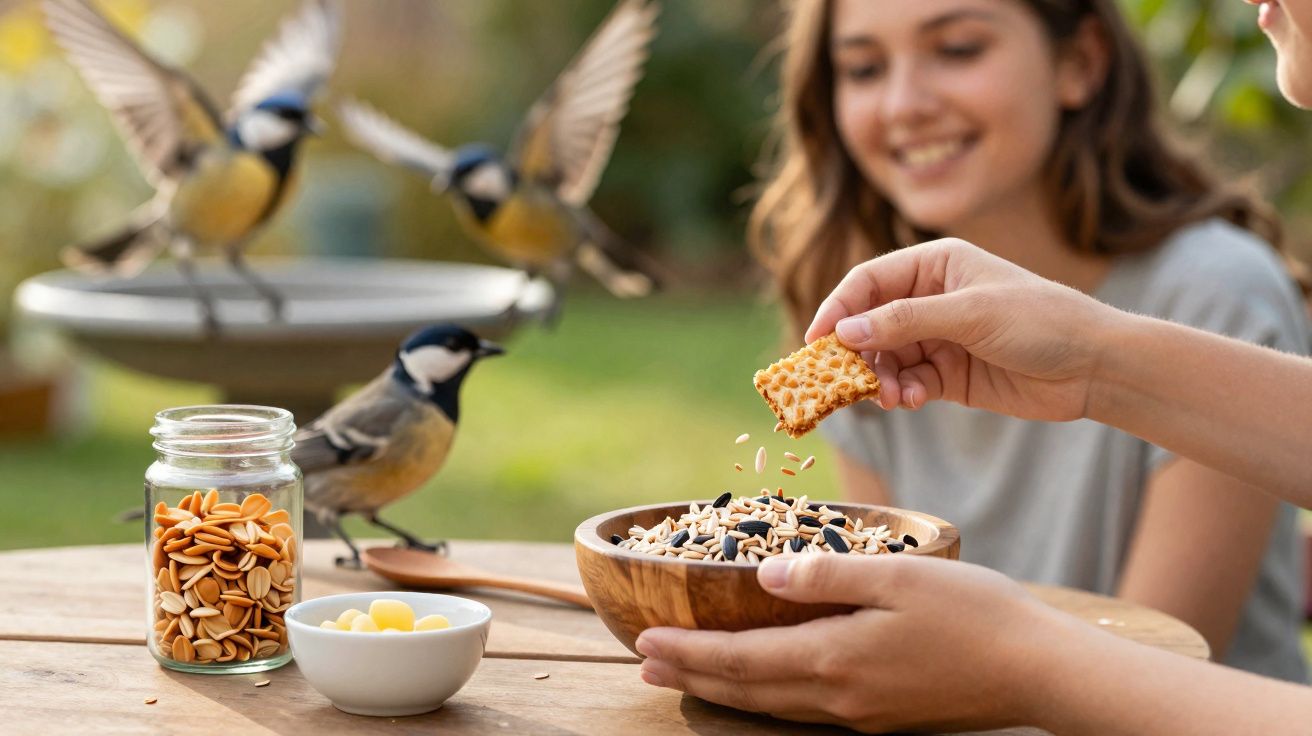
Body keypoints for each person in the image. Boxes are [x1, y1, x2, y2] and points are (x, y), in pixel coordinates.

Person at [635, 0, 1312, 731]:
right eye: (863, 67)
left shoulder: (1212, 293)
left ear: (1079, 62)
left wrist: (1017, 664)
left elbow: (1168, 649)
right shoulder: (884, 331)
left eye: (957, 49)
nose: (904, 103)